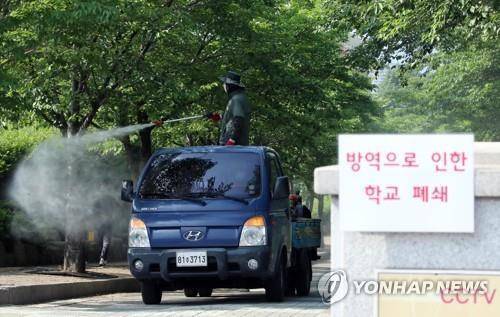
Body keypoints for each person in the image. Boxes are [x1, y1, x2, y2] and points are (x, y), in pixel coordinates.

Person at [218, 71, 251, 146]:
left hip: (233, 146)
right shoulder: (241, 97)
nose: (223, 85)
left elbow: (239, 120)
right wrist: (216, 116)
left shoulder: (236, 99)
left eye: (225, 84)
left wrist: (231, 141)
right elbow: (231, 119)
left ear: (229, 86)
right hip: (239, 145)